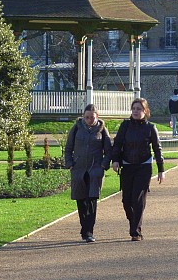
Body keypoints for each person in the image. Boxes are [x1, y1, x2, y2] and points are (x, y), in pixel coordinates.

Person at [111, 98, 164, 241]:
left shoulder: (150, 128)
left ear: (145, 111)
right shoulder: (125, 126)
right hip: (127, 165)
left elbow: (157, 149)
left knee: (138, 199)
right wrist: (115, 160)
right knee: (126, 201)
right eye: (134, 108)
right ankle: (133, 222)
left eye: (139, 109)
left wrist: (161, 169)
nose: (135, 111)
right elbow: (117, 144)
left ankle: (136, 231)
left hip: (143, 167)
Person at [64, 104, 112, 243]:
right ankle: (84, 227)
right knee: (81, 200)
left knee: (92, 200)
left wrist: (103, 165)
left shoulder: (102, 130)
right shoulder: (77, 128)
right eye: (87, 117)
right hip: (79, 169)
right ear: (83, 117)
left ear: (97, 117)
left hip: (95, 169)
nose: (90, 120)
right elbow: (69, 148)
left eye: (92, 117)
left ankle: (89, 231)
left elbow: (109, 150)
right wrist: (70, 164)